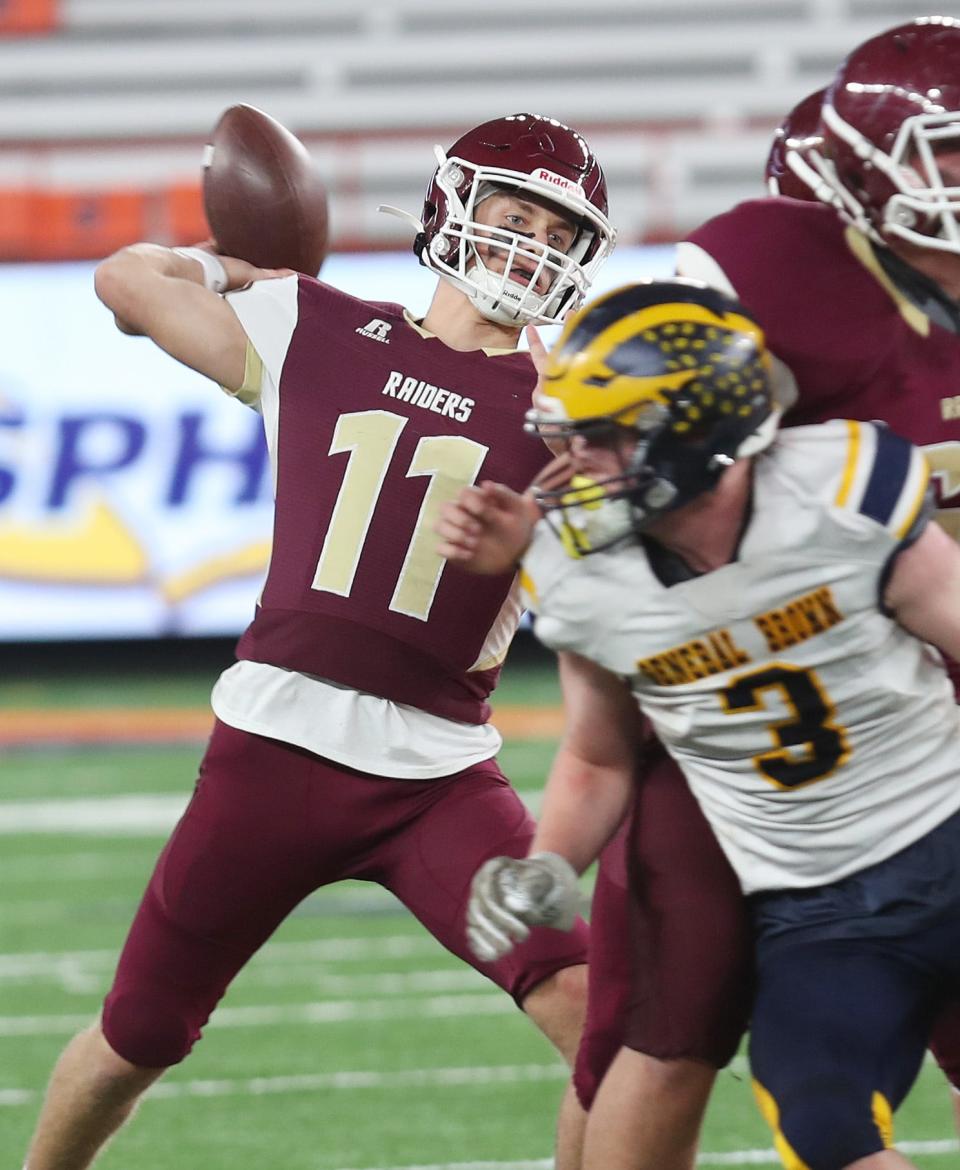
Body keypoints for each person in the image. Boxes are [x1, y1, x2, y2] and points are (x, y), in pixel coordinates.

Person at [20, 112, 617, 1170]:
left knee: (598, 1027)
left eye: (555, 231)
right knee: (138, 1037)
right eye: (513, 214)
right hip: (275, 750)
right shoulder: (314, 322)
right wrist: (216, 269)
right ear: (454, 209)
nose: (529, 244)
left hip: (438, 774)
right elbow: (124, 285)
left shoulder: (576, 409)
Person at [517, 18, 960, 1170]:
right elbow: (617, 425)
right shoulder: (768, 266)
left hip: (926, 703)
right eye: (952, 149)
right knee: (664, 1031)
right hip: (750, 690)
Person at [438, 277, 960, 1170]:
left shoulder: (843, 497)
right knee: (823, 1125)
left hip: (944, 833)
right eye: (571, 436)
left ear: (702, 429)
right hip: (813, 903)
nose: (578, 464)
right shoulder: (579, 571)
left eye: (605, 436)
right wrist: (548, 864)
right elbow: (599, 758)